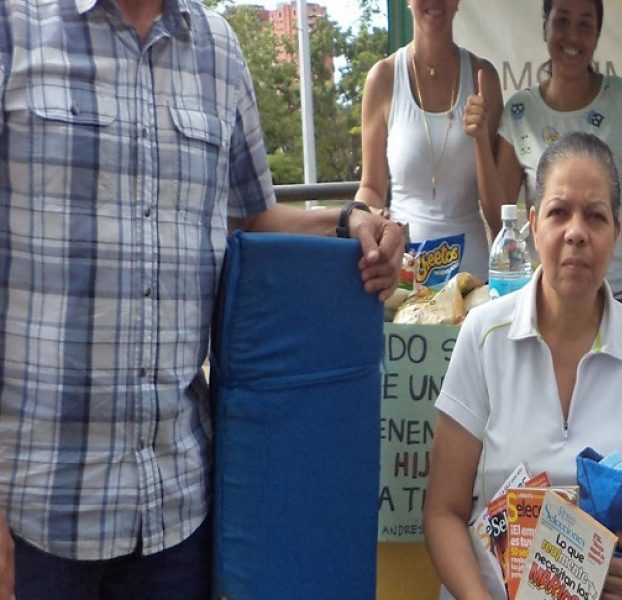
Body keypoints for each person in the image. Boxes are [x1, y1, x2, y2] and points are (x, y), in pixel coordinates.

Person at [0, 0, 404, 596]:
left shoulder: (218, 49)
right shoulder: (15, 28)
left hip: (177, 515)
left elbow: (253, 215)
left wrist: (349, 223)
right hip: (35, 516)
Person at [423, 133, 622, 600]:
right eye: (559, 212)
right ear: (533, 224)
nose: (576, 232)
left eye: (596, 216)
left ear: (616, 234)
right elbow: (443, 512)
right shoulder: (484, 337)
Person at [464, 0, 622, 299]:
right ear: (544, 26)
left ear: (597, 34)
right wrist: (480, 141)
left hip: (619, 296)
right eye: (562, 21)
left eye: (585, 24)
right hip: (549, 301)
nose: (572, 36)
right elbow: (500, 218)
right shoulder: (520, 113)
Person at [356, 0, 502, 279]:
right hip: (403, 272)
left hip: (472, 277)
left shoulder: (484, 77)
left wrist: (481, 140)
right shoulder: (383, 77)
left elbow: (496, 211)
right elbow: (371, 186)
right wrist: (370, 215)